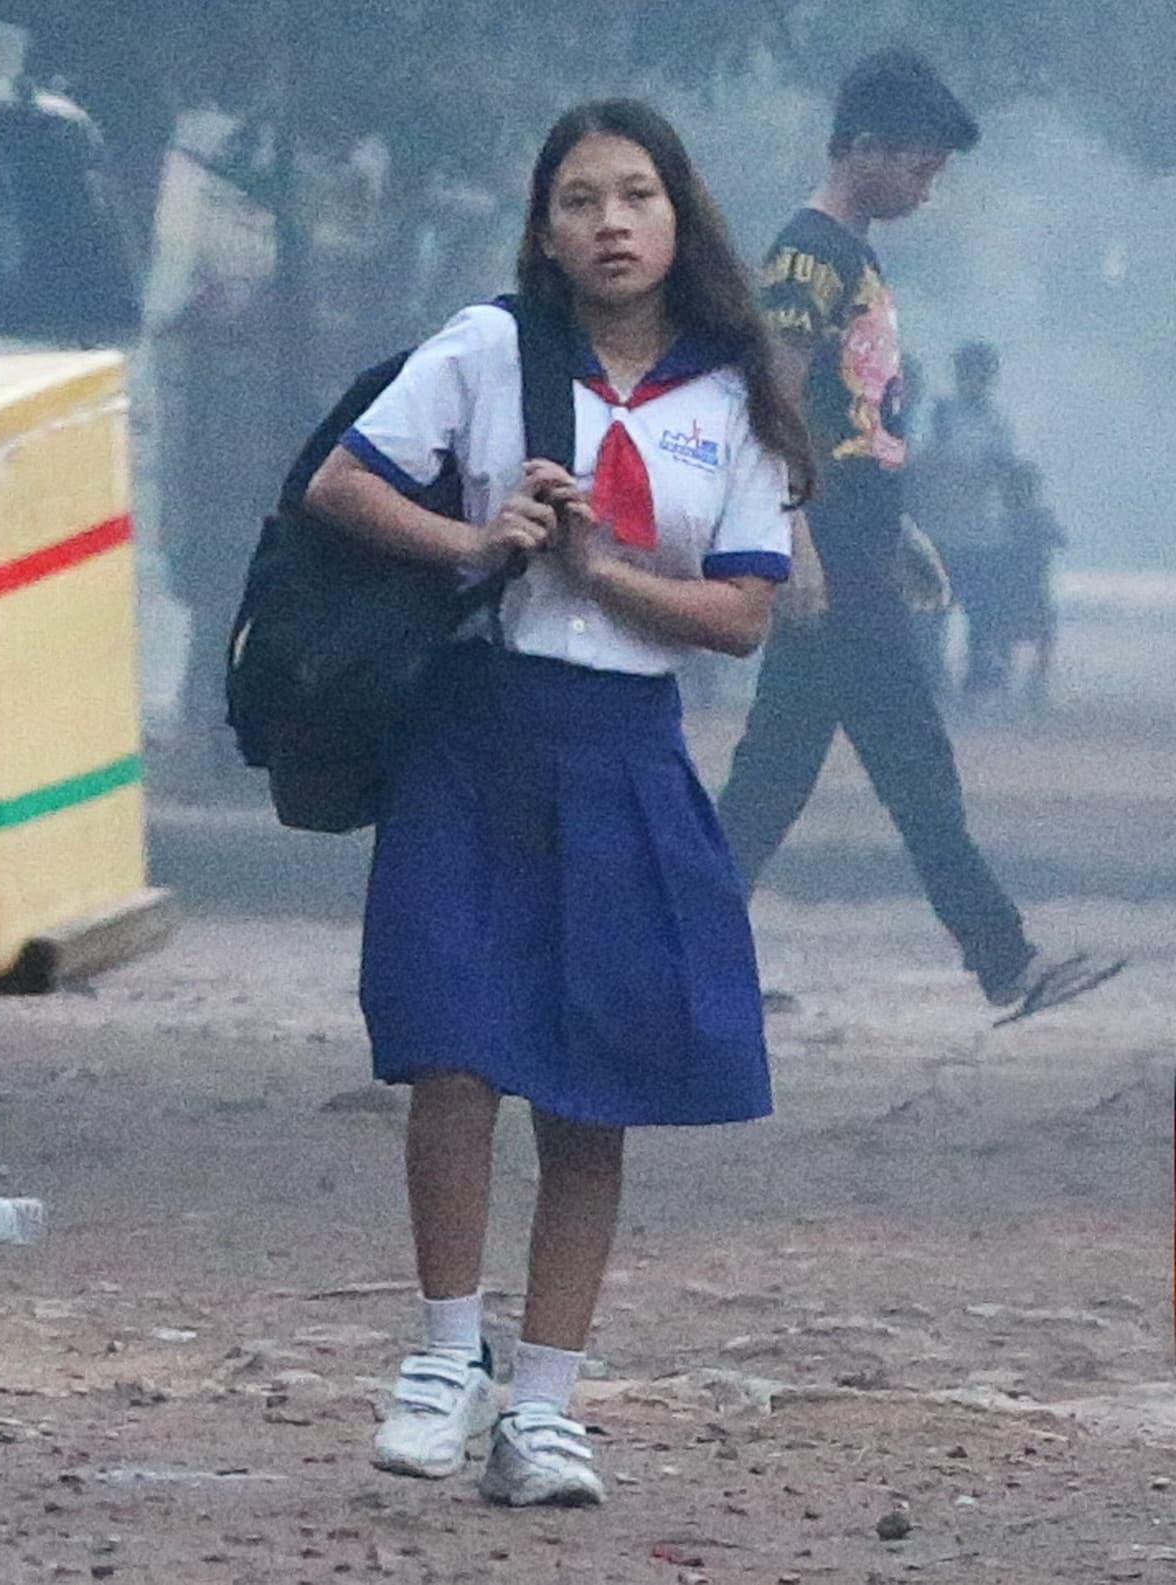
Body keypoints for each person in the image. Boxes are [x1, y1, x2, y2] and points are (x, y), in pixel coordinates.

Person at [307, 99, 810, 1507]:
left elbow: (743, 613)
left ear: (676, 215)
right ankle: (440, 1354)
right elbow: (345, 484)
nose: (610, 223)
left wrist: (604, 576)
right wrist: (479, 538)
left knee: (594, 1091)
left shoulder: (736, 395)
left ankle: (545, 1406)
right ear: (544, 227)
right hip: (475, 736)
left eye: (635, 196)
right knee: (450, 1046)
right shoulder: (485, 351)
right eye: (580, 200)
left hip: (626, 753)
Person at [717, 49, 1123, 1019]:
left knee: (772, 779)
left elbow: (845, 414)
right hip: (828, 558)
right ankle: (1005, 960)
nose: (923, 190)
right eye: (917, 168)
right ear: (862, 148)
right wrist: (798, 539)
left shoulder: (849, 254)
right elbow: (771, 400)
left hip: (856, 544)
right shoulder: (809, 255)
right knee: (909, 768)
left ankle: (670, 960)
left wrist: (885, 525)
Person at [921, 341, 1017, 694]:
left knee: (981, 615)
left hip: (981, 534)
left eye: (983, 374)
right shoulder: (938, 416)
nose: (976, 380)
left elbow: (1007, 477)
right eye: (970, 373)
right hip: (939, 532)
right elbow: (919, 465)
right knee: (933, 614)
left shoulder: (997, 424)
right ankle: (934, 682)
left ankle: (976, 684)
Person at [996, 460, 1066, 708]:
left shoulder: (1005, 518)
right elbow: (1061, 540)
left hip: (1017, 582)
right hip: (1029, 581)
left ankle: (1011, 682)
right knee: (1041, 632)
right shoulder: (1036, 516)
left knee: (1010, 632)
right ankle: (1032, 683)